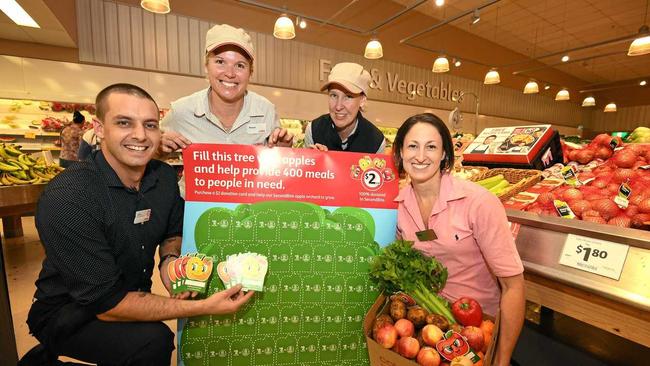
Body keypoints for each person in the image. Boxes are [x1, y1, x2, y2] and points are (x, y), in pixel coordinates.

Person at [21, 84, 254, 366]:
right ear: (100, 128)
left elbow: (173, 231)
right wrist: (202, 307)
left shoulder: (164, 178)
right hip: (68, 312)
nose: (140, 135)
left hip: (126, 294)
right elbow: (107, 305)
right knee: (151, 341)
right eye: (124, 123)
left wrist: (170, 262)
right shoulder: (70, 197)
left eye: (150, 125)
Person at [393, 113, 525, 366]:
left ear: (444, 154)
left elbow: (513, 286)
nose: (420, 156)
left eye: (431, 147)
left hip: (478, 327)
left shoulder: (479, 203)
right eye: (412, 146)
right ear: (400, 152)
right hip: (430, 329)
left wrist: (502, 359)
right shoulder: (398, 205)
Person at [160, 24, 293, 155]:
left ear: (250, 72)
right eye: (220, 62)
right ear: (206, 66)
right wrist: (158, 148)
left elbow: (275, 166)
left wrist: (282, 152)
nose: (230, 73)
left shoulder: (266, 111)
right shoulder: (181, 111)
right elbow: (149, 152)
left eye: (240, 65)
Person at [304, 62, 386, 153]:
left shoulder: (376, 141)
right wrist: (314, 160)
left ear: (362, 100)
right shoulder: (313, 130)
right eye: (334, 95)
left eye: (348, 96)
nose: (338, 106)